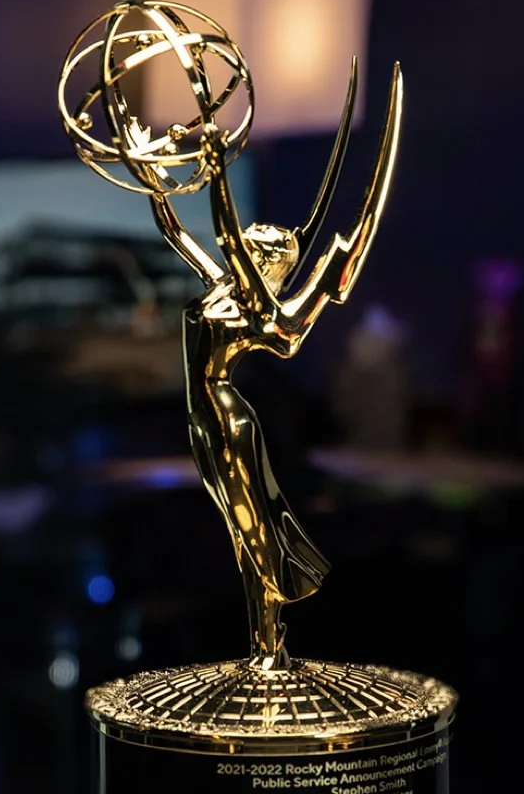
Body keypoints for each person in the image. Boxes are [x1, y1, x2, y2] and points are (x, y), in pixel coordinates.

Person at [136, 68, 403, 670]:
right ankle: (265, 643)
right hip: (199, 420)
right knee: (240, 536)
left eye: (265, 238)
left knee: (256, 534)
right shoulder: (221, 287)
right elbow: (175, 230)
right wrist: (152, 176)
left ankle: (269, 645)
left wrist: (215, 167)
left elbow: (228, 233)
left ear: (267, 259)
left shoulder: (259, 303)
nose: (255, 233)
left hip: (227, 418)